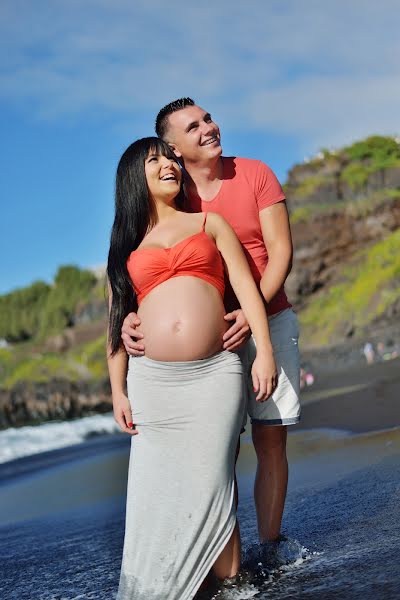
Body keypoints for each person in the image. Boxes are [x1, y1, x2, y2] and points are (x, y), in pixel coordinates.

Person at [121, 98, 301, 544]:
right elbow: (142, 264)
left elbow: (280, 252)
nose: (208, 128)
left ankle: (271, 545)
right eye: (193, 126)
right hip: (212, 341)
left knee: (271, 437)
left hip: (267, 318)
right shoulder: (171, 192)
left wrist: (250, 309)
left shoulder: (255, 173)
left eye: (208, 119)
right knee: (219, 448)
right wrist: (129, 316)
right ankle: (224, 553)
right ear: (173, 149)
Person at [107, 136, 277, 599]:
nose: (168, 164)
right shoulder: (125, 246)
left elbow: (246, 290)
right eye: (154, 159)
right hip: (153, 386)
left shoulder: (210, 223)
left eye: (169, 157)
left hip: (213, 377)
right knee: (158, 493)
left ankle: (233, 586)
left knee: (212, 481)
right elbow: (116, 323)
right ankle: (179, 584)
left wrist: (264, 351)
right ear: (133, 178)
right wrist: (118, 392)